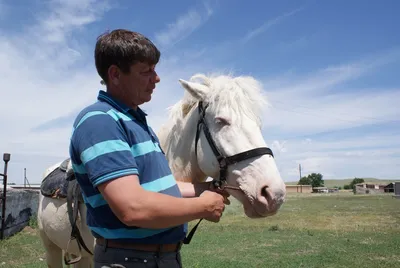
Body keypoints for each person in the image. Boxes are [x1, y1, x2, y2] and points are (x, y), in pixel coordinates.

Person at [69, 29, 228, 268]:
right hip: (130, 260)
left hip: (158, 258)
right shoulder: (100, 121)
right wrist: (203, 206)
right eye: (147, 71)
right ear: (115, 74)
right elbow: (132, 208)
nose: (157, 78)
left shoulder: (137, 122)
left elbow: (155, 188)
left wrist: (204, 188)